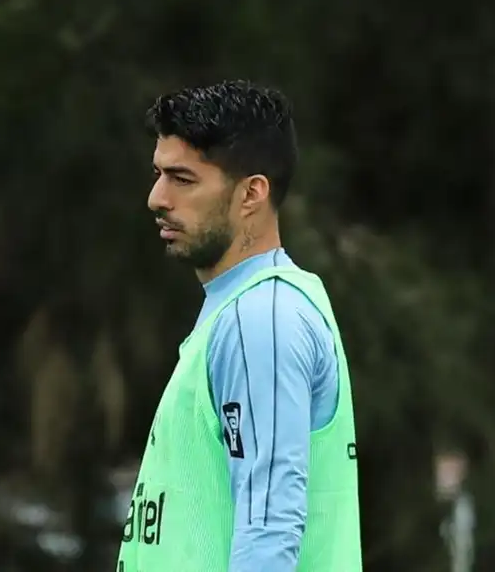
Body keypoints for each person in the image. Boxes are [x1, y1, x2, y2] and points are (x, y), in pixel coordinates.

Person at [117, 80, 362, 572]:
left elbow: (269, 531)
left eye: (182, 179)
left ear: (252, 193)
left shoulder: (262, 320)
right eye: (158, 174)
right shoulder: (242, 311)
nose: (156, 198)